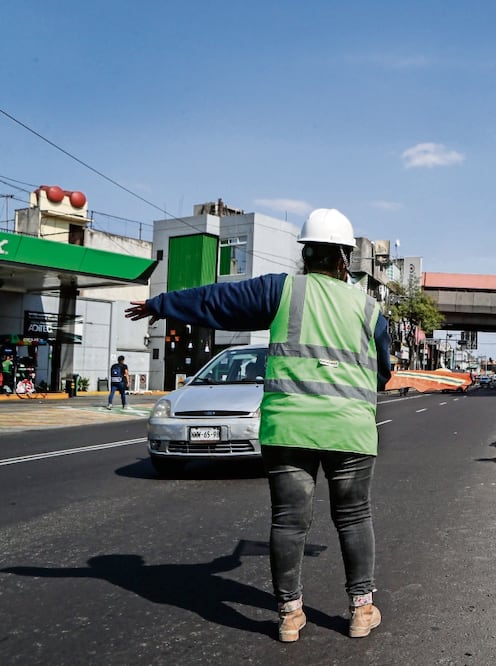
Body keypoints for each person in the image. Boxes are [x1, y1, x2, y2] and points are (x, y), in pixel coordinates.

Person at [125, 208, 391, 643]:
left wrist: (160, 304)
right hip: (350, 431)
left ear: (305, 254)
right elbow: (383, 372)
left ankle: (289, 615)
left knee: (289, 522)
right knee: (354, 517)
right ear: (345, 259)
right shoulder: (369, 308)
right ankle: (361, 610)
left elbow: (215, 302)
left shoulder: (281, 291)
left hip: (289, 430)